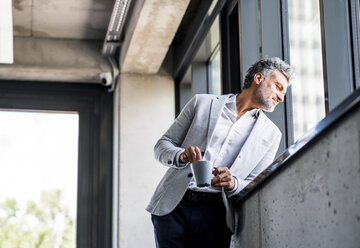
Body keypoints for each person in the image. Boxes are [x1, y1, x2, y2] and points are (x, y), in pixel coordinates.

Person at [146, 57, 293, 248]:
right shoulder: (202, 104)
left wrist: (233, 183)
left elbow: (257, 183)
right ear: (258, 78)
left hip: (217, 214)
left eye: (283, 92)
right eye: (278, 87)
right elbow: (162, 145)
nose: (281, 97)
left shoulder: (272, 135)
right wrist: (181, 156)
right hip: (173, 206)